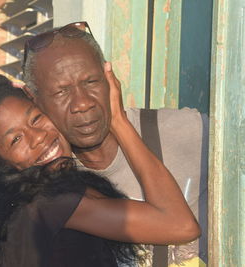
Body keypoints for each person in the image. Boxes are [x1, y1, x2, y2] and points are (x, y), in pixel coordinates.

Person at [0, 72, 200, 267]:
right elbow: (181, 226)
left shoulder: (21, 214)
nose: (38, 138)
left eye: (35, 118)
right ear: (1, 165)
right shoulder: (51, 203)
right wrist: (117, 120)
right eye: (16, 140)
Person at [22, 22, 208, 266]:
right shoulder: (61, 190)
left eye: (91, 82)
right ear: (34, 100)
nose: (82, 103)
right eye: (61, 92)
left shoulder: (188, 131)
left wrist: (119, 122)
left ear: (109, 77)